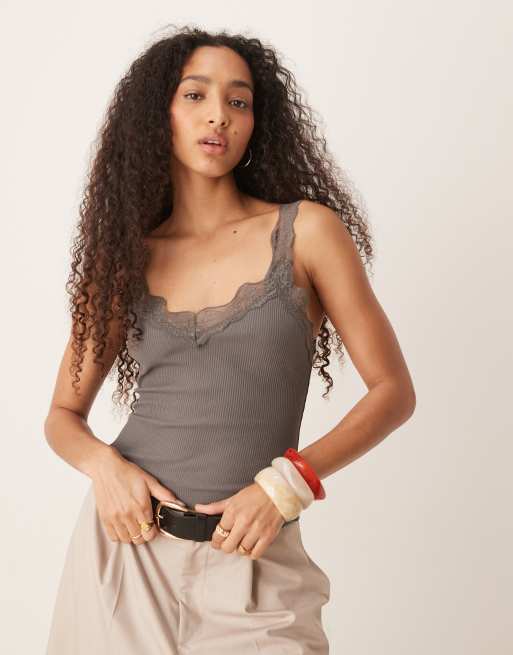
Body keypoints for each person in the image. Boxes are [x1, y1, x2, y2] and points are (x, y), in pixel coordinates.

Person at [44, 26, 416, 654]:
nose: (218, 114)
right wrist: (104, 467)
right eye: (195, 95)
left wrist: (288, 483)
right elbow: (62, 414)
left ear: (254, 123)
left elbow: (393, 392)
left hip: (255, 562)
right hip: (125, 560)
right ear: (157, 114)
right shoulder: (126, 257)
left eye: (238, 101)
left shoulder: (306, 234)